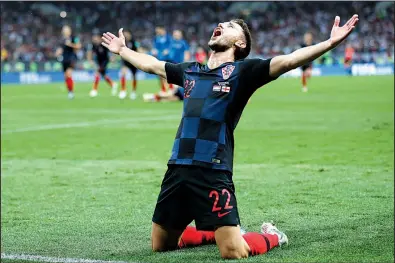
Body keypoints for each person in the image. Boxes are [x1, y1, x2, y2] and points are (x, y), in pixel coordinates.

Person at [101, 14, 359, 259]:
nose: (222, 24)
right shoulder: (191, 71)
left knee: (234, 252)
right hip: (177, 168)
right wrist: (123, 50)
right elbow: (151, 64)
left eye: (231, 26)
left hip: (213, 170)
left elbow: (289, 60)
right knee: (161, 246)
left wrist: (330, 42)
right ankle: (216, 233)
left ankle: (272, 236)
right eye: (222, 23)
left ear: (240, 43)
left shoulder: (243, 73)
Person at [88, 33, 117, 97]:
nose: (94, 39)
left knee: (97, 73)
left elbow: (111, 50)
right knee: (103, 75)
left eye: (95, 37)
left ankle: (94, 90)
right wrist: (90, 60)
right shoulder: (94, 45)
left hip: (105, 61)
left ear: (99, 38)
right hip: (98, 61)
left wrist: (113, 57)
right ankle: (113, 84)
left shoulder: (104, 44)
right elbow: (90, 53)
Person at [55, 25, 81, 99]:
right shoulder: (62, 39)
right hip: (64, 59)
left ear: (69, 31)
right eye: (63, 30)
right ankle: (70, 91)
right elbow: (61, 48)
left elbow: (78, 46)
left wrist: (70, 44)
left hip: (72, 58)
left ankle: (71, 93)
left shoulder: (74, 38)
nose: (64, 31)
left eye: (66, 30)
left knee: (68, 74)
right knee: (66, 76)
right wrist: (58, 52)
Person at [119, 30, 140, 100]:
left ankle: (133, 91)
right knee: (123, 73)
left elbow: (138, 50)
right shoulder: (122, 42)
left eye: (127, 34)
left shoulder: (134, 42)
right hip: (125, 60)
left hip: (133, 61)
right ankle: (123, 90)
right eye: (124, 34)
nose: (126, 35)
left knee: (134, 77)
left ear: (130, 34)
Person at [152, 25, 172, 94]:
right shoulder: (157, 38)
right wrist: (154, 50)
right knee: (160, 75)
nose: (157, 32)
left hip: (168, 59)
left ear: (162, 29)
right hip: (159, 58)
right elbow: (155, 46)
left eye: (158, 30)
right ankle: (163, 89)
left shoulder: (168, 37)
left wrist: (168, 50)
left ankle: (170, 89)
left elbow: (171, 46)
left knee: (169, 74)